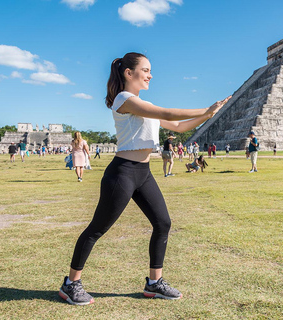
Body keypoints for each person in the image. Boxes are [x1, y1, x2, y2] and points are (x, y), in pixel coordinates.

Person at [59, 52, 230, 305]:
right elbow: (169, 113)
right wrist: (206, 108)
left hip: (144, 173)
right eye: (146, 70)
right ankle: (70, 284)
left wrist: (209, 115)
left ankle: (154, 283)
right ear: (129, 73)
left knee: (163, 223)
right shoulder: (124, 99)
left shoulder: (144, 105)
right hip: (123, 172)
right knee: (97, 228)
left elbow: (180, 127)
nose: (150, 75)